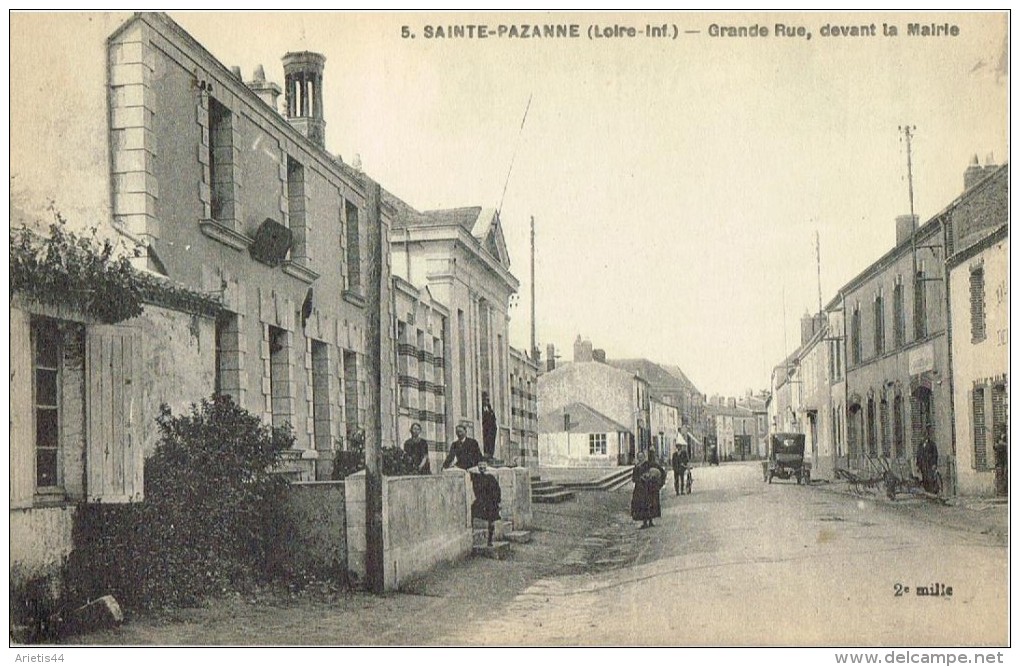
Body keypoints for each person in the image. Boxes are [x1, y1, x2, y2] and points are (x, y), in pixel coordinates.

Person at [469, 460, 502, 546]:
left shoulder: (491, 477)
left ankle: (490, 540)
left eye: (483, 466)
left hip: (490, 502)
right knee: (472, 511)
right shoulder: (476, 477)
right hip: (481, 501)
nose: (482, 468)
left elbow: (497, 489)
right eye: (480, 466)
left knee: (491, 521)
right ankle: (470, 532)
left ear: (486, 467)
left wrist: (497, 501)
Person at [631, 450, 666, 528]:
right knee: (641, 505)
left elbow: (660, 471)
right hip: (640, 489)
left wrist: (655, 480)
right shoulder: (636, 467)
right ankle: (644, 522)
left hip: (649, 488)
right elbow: (633, 478)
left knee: (650, 504)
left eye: (642, 457)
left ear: (644, 457)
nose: (640, 458)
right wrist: (640, 478)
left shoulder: (649, 464)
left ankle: (650, 521)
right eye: (639, 457)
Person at [915, 428, 939, 494]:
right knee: (924, 479)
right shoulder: (920, 445)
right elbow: (918, 455)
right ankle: (927, 492)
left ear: (927, 436)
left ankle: (933, 492)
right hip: (923, 465)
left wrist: (934, 464)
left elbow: (935, 454)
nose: (922, 438)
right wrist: (917, 465)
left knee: (931, 479)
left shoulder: (932, 444)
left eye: (924, 436)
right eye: (921, 436)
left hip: (930, 465)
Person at [481, 392, 498, 461]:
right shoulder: (481, 409)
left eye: (487, 400)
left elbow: (493, 418)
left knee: (491, 442)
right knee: (486, 441)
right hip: (485, 429)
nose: (486, 401)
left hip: (492, 429)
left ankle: (490, 454)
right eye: (485, 400)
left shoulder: (490, 409)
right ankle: (486, 454)